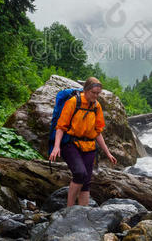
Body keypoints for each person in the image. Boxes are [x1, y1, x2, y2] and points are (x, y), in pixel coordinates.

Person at [49, 77, 117, 207]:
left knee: (86, 182)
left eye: (98, 93)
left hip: (89, 146)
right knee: (80, 173)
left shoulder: (97, 106)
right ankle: (69, 209)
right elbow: (60, 127)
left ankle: (83, 212)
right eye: (93, 93)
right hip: (71, 144)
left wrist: (108, 153)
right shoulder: (73, 102)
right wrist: (56, 147)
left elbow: (97, 132)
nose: (96, 96)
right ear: (86, 90)